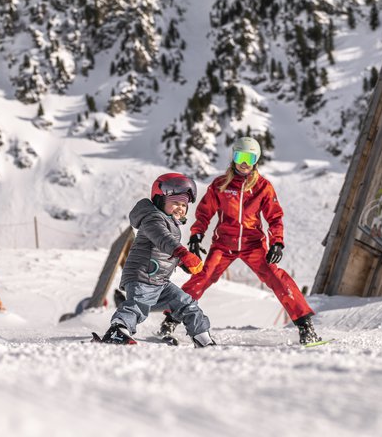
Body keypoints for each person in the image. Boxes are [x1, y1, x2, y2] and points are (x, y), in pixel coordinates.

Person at [158, 137, 322, 345]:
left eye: (250, 158)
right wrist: (197, 234)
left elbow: (274, 217)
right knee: (202, 277)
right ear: (233, 157)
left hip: (253, 245)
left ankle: (305, 327)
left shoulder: (263, 187)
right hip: (224, 245)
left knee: (277, 277)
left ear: (256, 161)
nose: (244, 162)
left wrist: (277, 242)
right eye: (240, 156)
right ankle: (170, 320)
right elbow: (204, 213)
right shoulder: (220, 185)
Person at [98, 173, 216, 347]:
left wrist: (182, 263)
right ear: (160, 200)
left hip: (160, 281)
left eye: (184, 205)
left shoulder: (169, 223)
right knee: (138, 305)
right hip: (142, 276)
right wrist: (182, 253)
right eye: (175, 202)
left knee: (186, 303)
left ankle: (202, 337)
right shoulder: (152, 219)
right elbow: (162, 239)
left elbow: (162, 252)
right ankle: (118, 330)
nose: (180, 208)